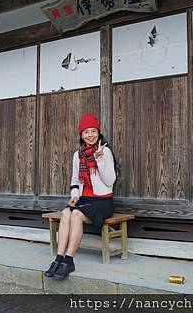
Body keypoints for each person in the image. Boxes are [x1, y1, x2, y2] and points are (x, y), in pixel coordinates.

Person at [44, 113, 117, 280]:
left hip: (103, 201)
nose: (90, 135)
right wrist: (75, 195)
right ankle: (59, 258)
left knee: (76, 214)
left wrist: (99, 160)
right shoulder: (78, 155)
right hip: (85, 200)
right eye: (86, 132)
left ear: (98, 133)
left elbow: (110, 180)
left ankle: (69, 260)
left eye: (93, 131)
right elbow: (75, 179)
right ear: (81, 135)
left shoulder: (104, 151)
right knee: (66, 213)